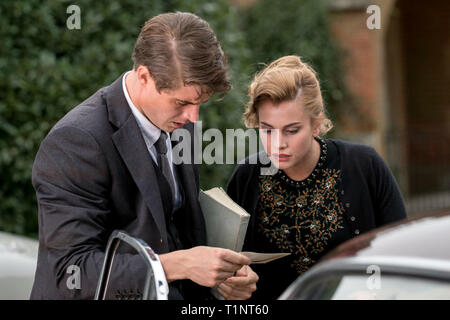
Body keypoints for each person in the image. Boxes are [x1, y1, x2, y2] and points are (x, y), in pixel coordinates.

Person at [31, 12, 258, 300]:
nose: (192, 117)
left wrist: (221, 275)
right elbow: (71, 272)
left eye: (200, 103)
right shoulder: (75, 142)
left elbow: (178, 228)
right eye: (182, 102)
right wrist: (179, 265)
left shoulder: (178, 123)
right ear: (144, 76)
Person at [226, 55, 407, 300]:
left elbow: (400, 251)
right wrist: (230, 283)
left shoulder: (364, 165)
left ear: (316, 125)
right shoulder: (247, 177)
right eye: (267, 130)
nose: (278, 144)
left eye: (292, 130)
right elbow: (224, 265)